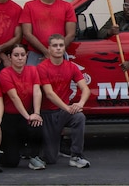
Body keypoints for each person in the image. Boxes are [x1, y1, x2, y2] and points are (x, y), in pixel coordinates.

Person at [38, 35, 92, 168]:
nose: (58, 48)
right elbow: (49, 94)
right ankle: (43, 153)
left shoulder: (71, 67)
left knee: (79, 117)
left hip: (63, 112)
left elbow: (85, 89)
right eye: (55, 46)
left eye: (61, 45)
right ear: (49, 49)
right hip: (46, 114)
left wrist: (80, 104)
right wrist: (67, 108)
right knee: (50, 159)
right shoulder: (42, 67)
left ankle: (76, 156)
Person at [0, 43, 46, 170]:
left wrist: (36, 113)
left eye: (22, 55)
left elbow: (37, 92)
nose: (19, 58)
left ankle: (34, 157)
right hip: (10, 118)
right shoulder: (5, 73)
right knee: (11, 162)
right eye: (16, 55)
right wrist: (28, 117)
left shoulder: (32, 70)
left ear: (27, 56)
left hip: (27, 115)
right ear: (9, 57)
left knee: (38, 125)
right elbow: (14, 97)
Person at [20, 0, 76, 64]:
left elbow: (71, 34)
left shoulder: (67, 7)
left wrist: (55, 52)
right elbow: (27, 33)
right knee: (33, 79)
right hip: (35, 55)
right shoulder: (29, 6)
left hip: (59, 55)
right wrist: (46, 52)